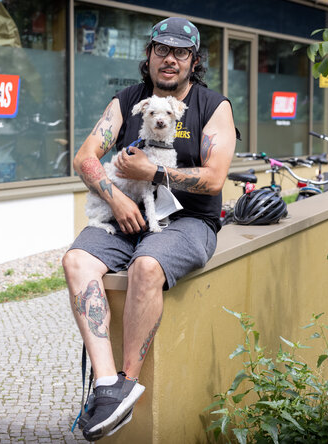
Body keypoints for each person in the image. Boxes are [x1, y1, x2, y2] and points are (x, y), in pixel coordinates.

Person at [62, 16, 237, 441]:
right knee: (77, 260)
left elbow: (214, 179)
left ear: (194, 61)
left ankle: (127, 380)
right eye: (163, 50)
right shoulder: (127, 100)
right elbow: (85, 157)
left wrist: (153, 170)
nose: (170, 59)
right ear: (149, 55)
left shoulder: (213, 107)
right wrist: (117, 198)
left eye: (181, 52)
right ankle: (108, 386)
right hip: (126, 215)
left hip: (188, 222)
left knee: (146, 266)